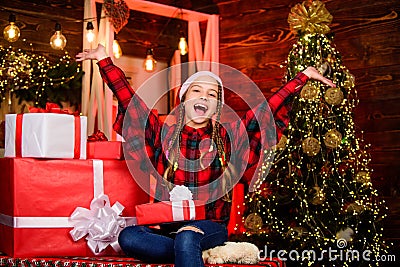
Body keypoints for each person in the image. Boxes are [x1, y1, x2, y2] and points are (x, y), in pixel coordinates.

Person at [76, 44, 335, 266]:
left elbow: (264, 113)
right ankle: (188, 253)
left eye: (212, 94)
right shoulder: (162, 133)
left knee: (189, 237)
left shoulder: (228, 135)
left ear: (217, 106)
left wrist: (300, 78)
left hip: (208, 227)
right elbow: (131, 104)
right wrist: (104, 60)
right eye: (197, 90)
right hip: (169, 227)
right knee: (128, 237)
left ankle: (189, 247)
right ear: (185, 98)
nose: (204, 97)